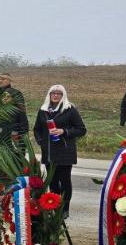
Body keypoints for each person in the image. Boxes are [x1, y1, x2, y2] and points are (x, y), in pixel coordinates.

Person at [33, 85, 86, 214]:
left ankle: (64, 209)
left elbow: (81, 129)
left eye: (59, 93)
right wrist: (41, 142)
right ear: (49, 95)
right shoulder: (43, 110)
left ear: (63, 95)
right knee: (53, 181)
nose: (55, 95)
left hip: (65, 152)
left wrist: (64, 131)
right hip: (49, 152)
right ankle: (55, 207)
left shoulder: (69, 109)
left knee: (65, 181)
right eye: (53, 93)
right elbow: (37, 129)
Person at [0, 73, 29, 143]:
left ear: (9, 80)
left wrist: (22, 131)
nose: (0, 81)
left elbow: (22, 113)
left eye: (3, 79)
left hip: (13, 130)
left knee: (14, 149)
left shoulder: (16, 93)